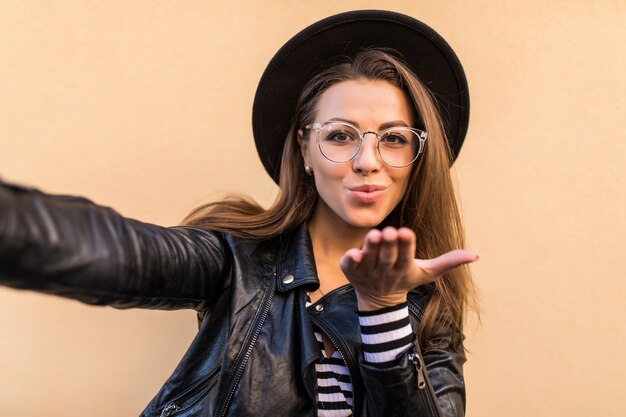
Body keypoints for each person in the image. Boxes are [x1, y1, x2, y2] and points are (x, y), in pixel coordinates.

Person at [0, 10, 478, 417]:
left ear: (418, 160)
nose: (367, 160)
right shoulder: (236, 258)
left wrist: (384, 310)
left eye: (393, 138)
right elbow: (119, 252)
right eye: (339, 135)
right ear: (305, 150)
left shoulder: (430, 308)